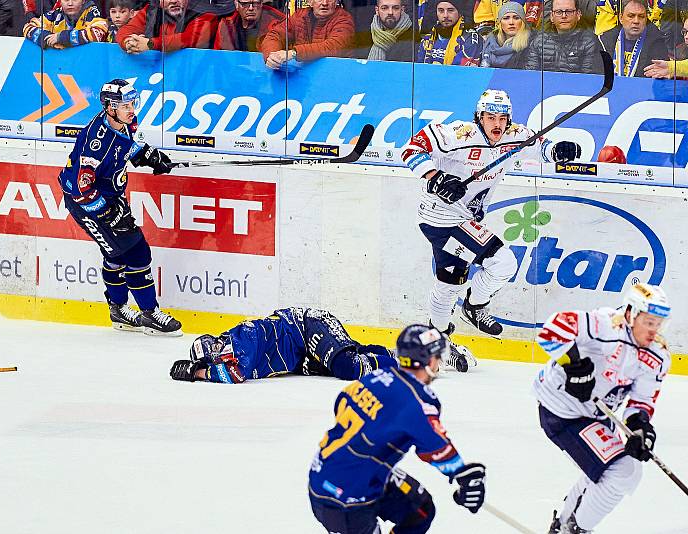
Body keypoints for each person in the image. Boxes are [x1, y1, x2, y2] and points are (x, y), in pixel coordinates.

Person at [399, 90, 580, 341]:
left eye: (502, 118)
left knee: (449, 282)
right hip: (441, 217)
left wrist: (560, 149)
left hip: (458, 219)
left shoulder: (516, 135)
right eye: (490, 117)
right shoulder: (457, 134)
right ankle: (474, 306)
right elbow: (411, 149)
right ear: (479, 117)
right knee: (503, 262)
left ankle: (436, 338)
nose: (497, 124)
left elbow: (542, 149)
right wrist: (436, 178)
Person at [308, 324, 487, 533]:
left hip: (328, 472)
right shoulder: (419, 402)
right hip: (345, 500)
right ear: (428, 361)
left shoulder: (379, 376)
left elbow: (342, 401)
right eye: (438, 356)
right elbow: (437, 447)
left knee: (420, 510)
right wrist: (464, 475)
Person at [534, 283, 671, 534]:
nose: (654, 330)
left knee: (604, 471)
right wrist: (574, 365)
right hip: (563, 411)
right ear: (630, 313)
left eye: (658, 323)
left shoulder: (658, 355)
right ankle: (575, 529)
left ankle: (564, 525)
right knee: (623, 471)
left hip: (597, 415)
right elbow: (551, 331)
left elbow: (641, 400)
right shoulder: (604, 324)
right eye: (648, 322)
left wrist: (639, 428)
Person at [59, 79, 182, 336]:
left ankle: (118, 310)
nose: (131, 109)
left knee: (116, 255)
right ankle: (149, 313)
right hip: (88, 204)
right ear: (109, 107)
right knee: (136, 252)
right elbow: (80, 188)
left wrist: (147, 155)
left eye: (132, 103)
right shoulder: (95, 144)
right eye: (125, 105)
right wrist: (107, 213)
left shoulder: (124, 122)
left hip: (111, 197)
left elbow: (126, 146)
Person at [169, 308, 398, 383]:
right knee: (348, 355)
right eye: (211, 354)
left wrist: (198, 372)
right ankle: (395, 354)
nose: (217, 351)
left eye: (214, 345)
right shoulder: (230, 353)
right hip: (300, 356)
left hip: (306, 326)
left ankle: (407, 363)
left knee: (348, 367)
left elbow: (238, 374)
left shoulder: (241, 335)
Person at [260, 0, 355, 69]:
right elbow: (275, 35)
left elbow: (333, 46)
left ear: (336, 2)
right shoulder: (300, 15)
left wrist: (293, 53)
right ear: (310, 2)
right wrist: (272, 56)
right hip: (305, 75)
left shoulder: (344, 19)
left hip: (335, 73)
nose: (325, 3)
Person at [525, 0, 604, 73]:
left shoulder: (590, 42)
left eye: (569, 11)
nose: (564, 16)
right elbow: (530, 76)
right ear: (551, 16)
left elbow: (591, 81)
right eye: (559, 12)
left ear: (578, 14)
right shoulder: (539, 41)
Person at [116, 0, 220, 53]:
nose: (174, 1)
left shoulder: (206, 13)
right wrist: (129, 43)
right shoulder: (151, 11)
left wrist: (150, 44)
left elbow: (188, 39)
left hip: (197, 77)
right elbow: (127, 30)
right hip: (157, 75)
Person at [598, 0, 667, 77]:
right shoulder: (604, 41)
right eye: (631, 16)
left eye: (641, 16)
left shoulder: (658, 43)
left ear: (646, 19)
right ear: (621, 18)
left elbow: (658, 80)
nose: (636, 21)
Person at [417, 0, 484, 65]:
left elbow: (461, 73)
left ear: (459, 12)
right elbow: (419, 70)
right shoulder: (427, 39)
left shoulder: (471, 39)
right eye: (441, 10)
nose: (445, 15)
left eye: (450, 10)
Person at [23, 0, 108, 48]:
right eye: (66, 0)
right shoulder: (55, 14)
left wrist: (62, 38)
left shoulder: (92, 12)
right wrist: (48, 38)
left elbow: (97, 33)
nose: (70, 3)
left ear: (83, 1)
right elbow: (27, 28)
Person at [213, 0, 285, 51]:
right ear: (236, 4)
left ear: (261, 4)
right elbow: (219, 58)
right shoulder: (227, 26)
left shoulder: (278, 24)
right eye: (245, 4)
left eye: (256, 3)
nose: (251, 8)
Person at [480, 1, 534, 67]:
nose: (511, 22)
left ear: (523, 22)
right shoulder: (489, 43)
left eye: (516, 18)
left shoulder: (532, 44)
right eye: (506, 18)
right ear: (499, 23)